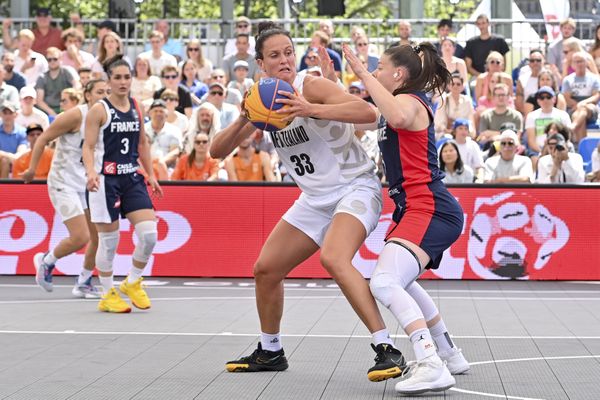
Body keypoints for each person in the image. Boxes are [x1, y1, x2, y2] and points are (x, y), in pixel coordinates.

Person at [212, 22, 405, 382]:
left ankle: (386, 348)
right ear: (260, 63)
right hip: (315, 198)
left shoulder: (309, 86)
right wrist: (244, 116)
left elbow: (369, 113)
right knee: (266, 270)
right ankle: (270, 350)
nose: (285, 60)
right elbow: (216, 151)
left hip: (355, 187)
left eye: (288, 52)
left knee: (333, 257)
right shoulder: (260, 100)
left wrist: (308, 108)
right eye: (275, 55)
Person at [344, 41, 469, 394]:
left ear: (398, 74)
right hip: (416, 207)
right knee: (404, 281)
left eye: (381, 66)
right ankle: (448, 353)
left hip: (428, 205)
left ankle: (430, 362)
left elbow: (397, 117)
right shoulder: (392, 103)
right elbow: (367, 116)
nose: (376, 70)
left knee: (384, 283)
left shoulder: (410, 103)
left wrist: (364, 74)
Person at [82, 59, 163, 313]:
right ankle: (106, 293)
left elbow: (142, 145)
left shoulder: (137, 106)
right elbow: (88, 145)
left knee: (149, 235)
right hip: (106, 180)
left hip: (131, 177)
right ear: (108, 81)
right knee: (109, 241)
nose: (123, 82)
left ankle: (132, 280)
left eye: (126, 77)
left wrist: (151, 175)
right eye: (117, 77)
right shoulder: (99, 110)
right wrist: (91, 172)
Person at [23, 79, 108, 297]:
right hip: (63, 182)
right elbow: (42, 139)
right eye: (100, 92)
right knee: (81, 236)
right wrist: (32, 169)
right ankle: (46, 260)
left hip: (88, 182)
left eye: (107, 92)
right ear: (88, 95)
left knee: (97, 237)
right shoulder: (75, 116)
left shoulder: (107, 117)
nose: (104, 96)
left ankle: (84, 282)